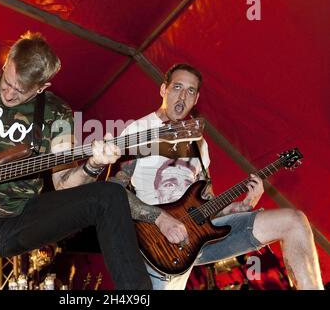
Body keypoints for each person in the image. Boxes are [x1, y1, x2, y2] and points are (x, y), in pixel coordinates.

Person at [0, 31, 152, 290]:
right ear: (5, 65)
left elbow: (63, 183)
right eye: (7, 82)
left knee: (109, 195)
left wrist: (94, 165)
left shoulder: (56, 114)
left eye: (21, 90)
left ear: (42, 87)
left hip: (21, 216)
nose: (10, 94)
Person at [110, 63, 324, 290]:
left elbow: (206, 201)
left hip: (201, 235)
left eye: (190, 91)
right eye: (177, 87)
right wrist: (161, 219)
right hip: (156, 244)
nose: (183, 95)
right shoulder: (139, 132)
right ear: (163, 90)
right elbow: (113, 192)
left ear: (196, 98)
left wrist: (234, 208)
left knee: (294, 221)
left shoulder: (198, 143)